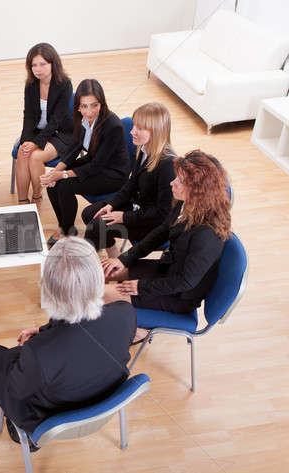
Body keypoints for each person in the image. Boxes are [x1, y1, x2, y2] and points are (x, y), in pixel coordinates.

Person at [0, 237, 135, 448]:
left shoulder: (37, 354)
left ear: (49, 289)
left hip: (55, 416)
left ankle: (25, 433)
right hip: (107, 396)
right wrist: (44, 331)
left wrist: (27, 355)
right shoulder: (126, 313)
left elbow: (16, 390)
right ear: (97, 278)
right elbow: (82, 332)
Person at [101, 150, 231, 343]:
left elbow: (185, 282)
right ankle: (132, 325)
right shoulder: (186, 204)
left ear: (198, 190)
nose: (172, 182)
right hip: (167, 271)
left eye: (180, 181)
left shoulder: (207, 234)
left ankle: (135, 329)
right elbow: (160, 232)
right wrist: (123, 259)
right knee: (101, 271)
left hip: (178, 294)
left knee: (98, 293)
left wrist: (141, 287)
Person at [40, 79, 129, 246]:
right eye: (84, 106)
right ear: (78, 106)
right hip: (95, 161)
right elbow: (74, 147)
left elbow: (96, 166)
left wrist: (64, 174)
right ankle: (65, 227)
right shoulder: (81, 118)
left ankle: (67, 233)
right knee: (53, 183)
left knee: (65, 185)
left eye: (94, 105)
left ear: (102, 103)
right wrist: (56, 171)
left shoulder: (112, 125)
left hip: (112, 174)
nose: (89, 112)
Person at [82, 102, 176, 257]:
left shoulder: (168, 166)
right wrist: (111, 204)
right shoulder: (144, 148)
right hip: (137, 207)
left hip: (152, 222)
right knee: (89, 213)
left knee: (96, 227)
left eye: (139, 128)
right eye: (134, 126)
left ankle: (87, 269)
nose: (132, 131)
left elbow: (162, 213)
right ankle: (115, 257)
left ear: (156, 131)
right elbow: (131, 184)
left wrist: (123, 217)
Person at [15, 43, 73, 207]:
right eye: (34, 65)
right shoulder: (31, 84)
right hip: (37, 131)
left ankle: (36, 197)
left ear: (53, 63)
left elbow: (57, 120)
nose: (38, 69)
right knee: (22, 152)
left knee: (35, 156)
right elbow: (29, 116)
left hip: (61, 133)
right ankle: (22, 201)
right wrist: (26, 141)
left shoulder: (64, 84)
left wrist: (36, 143)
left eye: (42, 64)